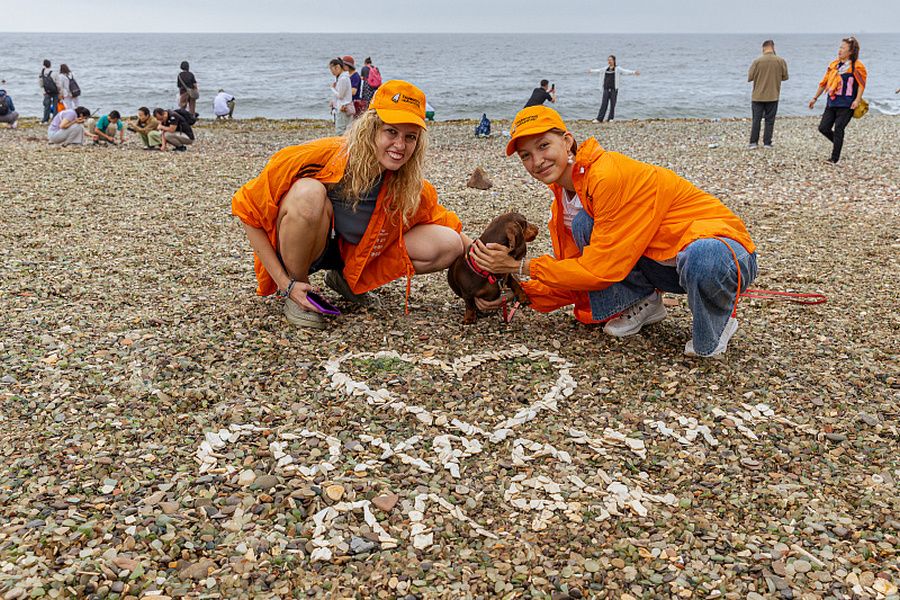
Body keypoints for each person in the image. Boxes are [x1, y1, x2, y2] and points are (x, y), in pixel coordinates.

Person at [471, 106, 757, 358]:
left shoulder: (606, 176)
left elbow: (598, 270)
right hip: (663, 262)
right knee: (585, 224)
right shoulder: (566, 196)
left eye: (544, 145)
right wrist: (521, 293)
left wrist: (519, 266)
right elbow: (577, 271)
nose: (537, 161)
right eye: (526, 156)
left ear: (567, 141)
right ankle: (644, 301)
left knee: (701, 257)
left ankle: (718, 321)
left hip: (724, 254)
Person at [231, 80, 466, 330]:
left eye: (410, 137)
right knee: (309, 193)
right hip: (302, 250)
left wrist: (494, 263)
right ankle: (299, 290)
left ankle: (348, 281)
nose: (400, 145)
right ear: (371, 128)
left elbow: (445, 224)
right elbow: (247, 211)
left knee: (449, 243)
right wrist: (283, 282)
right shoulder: (317, 155)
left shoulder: (408, 184)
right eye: (391, 132)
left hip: (352, 256)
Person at [809, 37, 867, 164]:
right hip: (832, 102)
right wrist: (815, 98)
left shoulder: (857, 66)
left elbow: (862, 84)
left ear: (851, 51)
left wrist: (857, 100)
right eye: (839, 47)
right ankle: (838, 144)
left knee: (839, 128)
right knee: (823, 128)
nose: (839, 50)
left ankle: (834, 158)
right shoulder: (834, 65)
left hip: (847, 104)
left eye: (843, 48)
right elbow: (824, 83)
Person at [747, 40, 789, 149]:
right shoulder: (780, 61)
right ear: (773, 47)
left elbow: (750, 77)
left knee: (756, 120)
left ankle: (753, 142)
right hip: (773, 95)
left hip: (757, 96)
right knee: (770, 120)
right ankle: (767, 142)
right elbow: (785, 77)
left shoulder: (757, 61)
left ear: (763, 48)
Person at [589, 55, 639, 123]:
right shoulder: (606, 68)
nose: (609, 61)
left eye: (610, 60)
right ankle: (599, 119)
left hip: (614, 89)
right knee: (604, 104)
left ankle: (610, 118)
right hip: (606, 88)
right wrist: (591, 71)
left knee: (613, 104)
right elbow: (599, 70)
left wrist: (634, 72)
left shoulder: (617, 68)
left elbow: (625, 71)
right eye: (608, 60)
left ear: (614, 61)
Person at [329, 58, 354, 134]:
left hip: (343, 108)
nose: (331, 72)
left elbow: (340, 95)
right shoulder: (343, 77)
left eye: (331, 69)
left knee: (340, 131)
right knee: (346, 130)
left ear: (337, 67)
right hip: (345, 107)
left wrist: (332, 88)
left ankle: (341, 145)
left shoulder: (343, 78)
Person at [39, 59, 60, 124]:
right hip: (55, 91)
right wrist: (59, 91)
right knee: (55, 105)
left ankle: (45, 119)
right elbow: (58, 84)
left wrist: (43, 91)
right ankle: (55, 119)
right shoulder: (54, 73)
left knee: (46, 106)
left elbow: (40, 83)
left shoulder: (41, 73)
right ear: (50, 65)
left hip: (46, 91)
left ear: (43, 65)